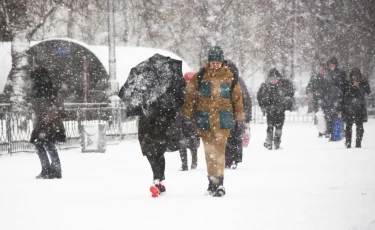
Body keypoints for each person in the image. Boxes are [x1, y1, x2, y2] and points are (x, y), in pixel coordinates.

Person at [183, 46, 244, 197]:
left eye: (217, 62)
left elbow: (237, 99)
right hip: (205, 121)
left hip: (223, 121)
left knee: (219, 152)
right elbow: (190, 97)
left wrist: (239, 119)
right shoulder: (200, 77)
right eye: (212, 62)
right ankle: (211, 183)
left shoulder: (230, 77)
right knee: (209, 153)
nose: (215, 65)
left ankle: (220, 183)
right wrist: (187, 116)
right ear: (209, 62)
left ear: (222, 62)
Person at [125, 77, 186, 198]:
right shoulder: (141, 95)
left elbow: (172, 110)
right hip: (145, 129)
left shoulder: (165, 93)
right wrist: (137, 107)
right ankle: (160, 181)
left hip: (160, 129)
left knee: (157, 154)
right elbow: (134, 111)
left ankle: (156, 180)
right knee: (150, 154)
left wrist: (162, 112)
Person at [29, 67, 66, 179]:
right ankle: (55, 170)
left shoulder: (39, 92)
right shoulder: (51, 90)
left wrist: (40, 126)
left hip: (45, 124)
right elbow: (57, 109)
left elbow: (46, 111)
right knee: (49, 145)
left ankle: (47, 170)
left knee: (41, 145)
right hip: (52, 123)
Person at [257, 68, 295, 150]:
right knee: (270, 126)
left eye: (276, 79)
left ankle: (277, 142)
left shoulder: (283, 85)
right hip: (270, 111)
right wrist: (263, 106)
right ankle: (269, 142)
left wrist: (287, 101)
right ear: (269, 79)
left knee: (279, 127)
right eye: (272, 79)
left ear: (279, 78)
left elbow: (291, 92)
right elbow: (260, 97)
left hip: (280, 110)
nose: (274, 80)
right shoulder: (265, 87)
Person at [224, 60, 252, 169]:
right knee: (227, 138)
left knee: (235, 137)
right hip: (225, 114)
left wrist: (246, 115)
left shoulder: (238, 82)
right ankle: (228, 159)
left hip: (236, 114)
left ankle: (234, 159)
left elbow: (246, 99)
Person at [342, 67, 371, 148]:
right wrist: (351, 87)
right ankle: (348, 143)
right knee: (348, 127)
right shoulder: (347, 83)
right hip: (349, 107)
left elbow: (368, 91)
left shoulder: (363, 82)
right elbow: (344, 94)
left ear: (359, 75)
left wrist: (359, 87)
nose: (355, 77)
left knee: (360, 127)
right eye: (353, 75)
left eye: (357, 75)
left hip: (360, 108)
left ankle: (358, 143)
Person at [178, 72, 200, 171]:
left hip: (189, 119)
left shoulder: (195, 92)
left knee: (188, 141)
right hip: (187, 119)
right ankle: (188, 164)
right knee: (187, 141)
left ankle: (187, 164)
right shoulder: (196, 91)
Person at [325, 56, 347, 141]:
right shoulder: (328, 74)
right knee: (330, 117)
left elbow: (342, 85)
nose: (330, 66)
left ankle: (337, 134)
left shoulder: (340, 73)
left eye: (332, 64)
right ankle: (332, 134)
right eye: (329, 65)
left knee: (337, 116)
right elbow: (326, 86)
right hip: (330, 99)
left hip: (338, 98)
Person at [306, 63, 328, 137]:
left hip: (326, 99)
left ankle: (326, 131)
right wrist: (309, 92)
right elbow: (309, 86)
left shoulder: (327, 77)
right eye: (320, 69)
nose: (322, 71)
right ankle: (320, 132)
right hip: (317, 99)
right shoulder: (315, 77)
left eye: (323, 69)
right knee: (319, 116)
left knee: (326, 116)